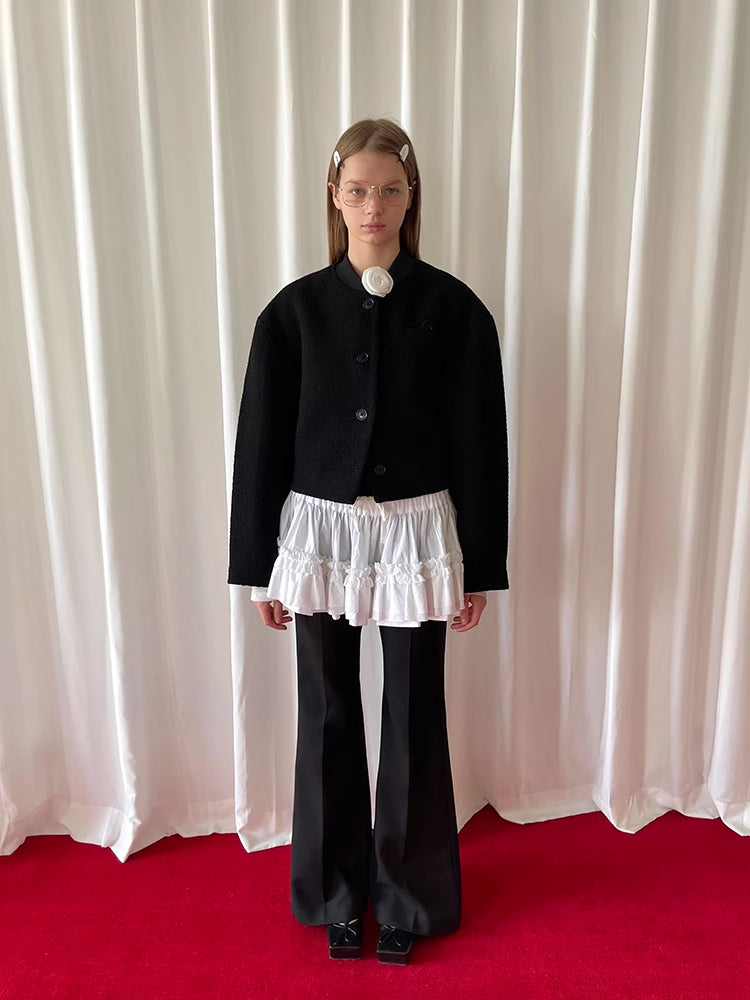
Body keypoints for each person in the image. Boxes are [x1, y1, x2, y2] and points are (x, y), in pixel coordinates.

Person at [227, 118, 509, 965]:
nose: (373, 205)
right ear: (334, 197)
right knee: (326, 712)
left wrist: (479, 567)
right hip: (319, 538)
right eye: (357, 190)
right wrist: (257, 570)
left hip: (418, 537)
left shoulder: (455, 311)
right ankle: (336, 896)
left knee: (414, 714)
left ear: (411, 196)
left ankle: (410, 898)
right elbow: (259, 448)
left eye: (389, 189)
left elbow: (480, 446)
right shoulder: (293, 314)